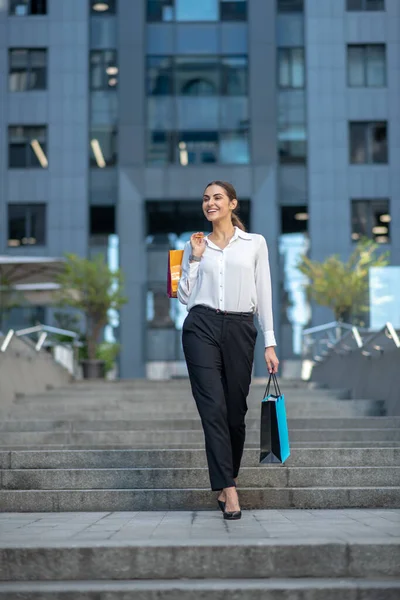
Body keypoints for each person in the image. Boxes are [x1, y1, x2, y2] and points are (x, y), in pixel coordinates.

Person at [178, 181, 279, 520]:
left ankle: (227, 477)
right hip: (200, 326)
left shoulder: (255, 243)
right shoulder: (195, 245)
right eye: (205, 198)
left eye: (217, 197)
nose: (210, 203)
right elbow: (184, 297)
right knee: (213, 409)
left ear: (233, 204)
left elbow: (263, 291)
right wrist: (194, 259)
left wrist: (270, 342)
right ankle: (230, 490)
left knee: (235, 413)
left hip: (240, 327)